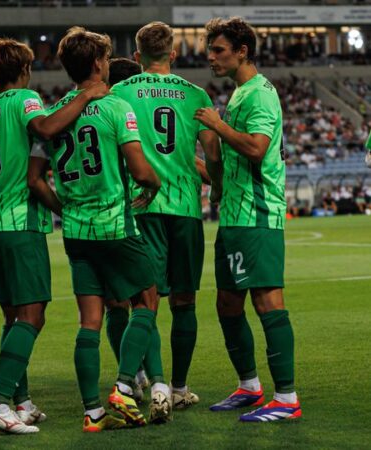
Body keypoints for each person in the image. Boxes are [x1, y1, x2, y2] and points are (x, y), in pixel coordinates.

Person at [28, 26, 171, 432]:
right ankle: (125, 386)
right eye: (106, 59)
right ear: (97, 64)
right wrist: (154, 185)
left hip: (76, 232)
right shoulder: (115, 107)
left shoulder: (56, 114)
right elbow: (142, 171)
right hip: (114, 226)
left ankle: (93, 413)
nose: (109, 65)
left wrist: (65, 208)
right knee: (147, 299)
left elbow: (35, 177)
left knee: (89, 320)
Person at [0, 38, 108, 435]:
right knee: (33, 314)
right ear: (25, 70)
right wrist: (87, 96)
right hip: (18, 223)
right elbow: (45, 126)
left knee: (13, 318)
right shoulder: (25, 99)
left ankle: (21, 402)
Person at [110, 21, 222, 409]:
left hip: (142, 207)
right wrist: (217, 188)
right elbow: (213, 154)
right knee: (185, 302)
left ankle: (144, 383)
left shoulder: (120, 92)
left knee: (145, 303)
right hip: (185, 207)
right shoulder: (195, 95)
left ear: (137, 56)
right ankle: (177, 387)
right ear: (173, 54)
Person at [195, 17, 301, 422]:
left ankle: (287, 398)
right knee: (227, 304)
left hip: (258, 215)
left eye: (219, 49)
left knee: (267, 301)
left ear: (242, 50)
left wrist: (218, 126)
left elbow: (256, 149)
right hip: (234, 216)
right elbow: (236, 160)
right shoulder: (240, 93)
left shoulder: (259, 95)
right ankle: (250, 386)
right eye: (210, 49)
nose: (211, 57)